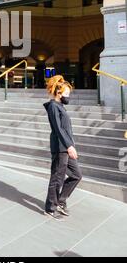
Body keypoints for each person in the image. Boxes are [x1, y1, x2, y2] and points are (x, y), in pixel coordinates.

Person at [43, 75, 82, 219]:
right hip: (60, 148)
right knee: (57, 178)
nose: (68, 96)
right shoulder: (53, 106)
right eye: (66, 93)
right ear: (58, 93)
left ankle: (60, 201)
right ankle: (50, 208)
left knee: (77, 175)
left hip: (65, 146)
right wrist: (69, 146)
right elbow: (58, 129)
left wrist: (70, 145)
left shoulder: (60, 106)